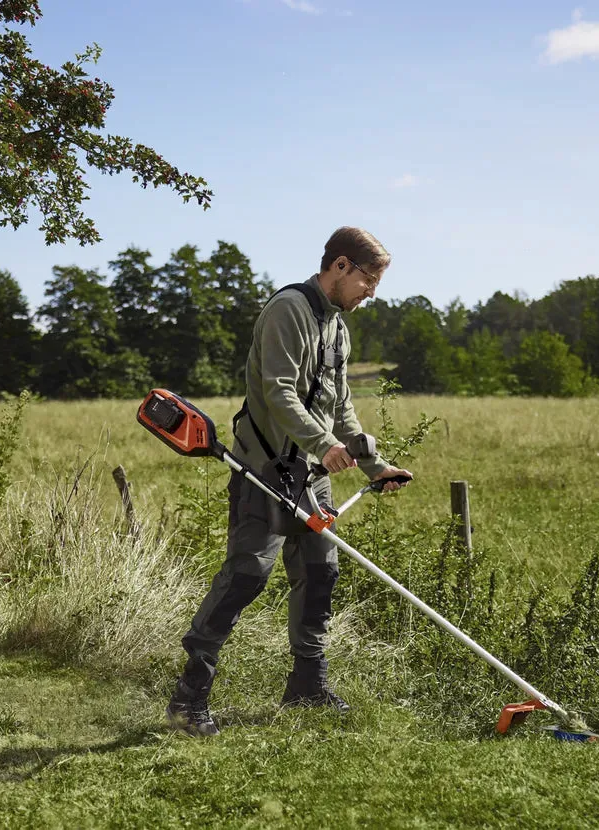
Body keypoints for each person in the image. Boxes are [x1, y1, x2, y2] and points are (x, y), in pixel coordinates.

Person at [165, 226, 413, 737]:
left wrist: (374, 464)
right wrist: (326, 445)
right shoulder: (289, 310)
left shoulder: (337, 327)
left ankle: (307, 687)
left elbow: (339, 405)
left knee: (320, 573)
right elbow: (278, 392)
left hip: (311, 476)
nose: (372, 292)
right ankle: (189, 699)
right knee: (248, 576)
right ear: (340, 266)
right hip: (265, 470)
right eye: (368, 279)